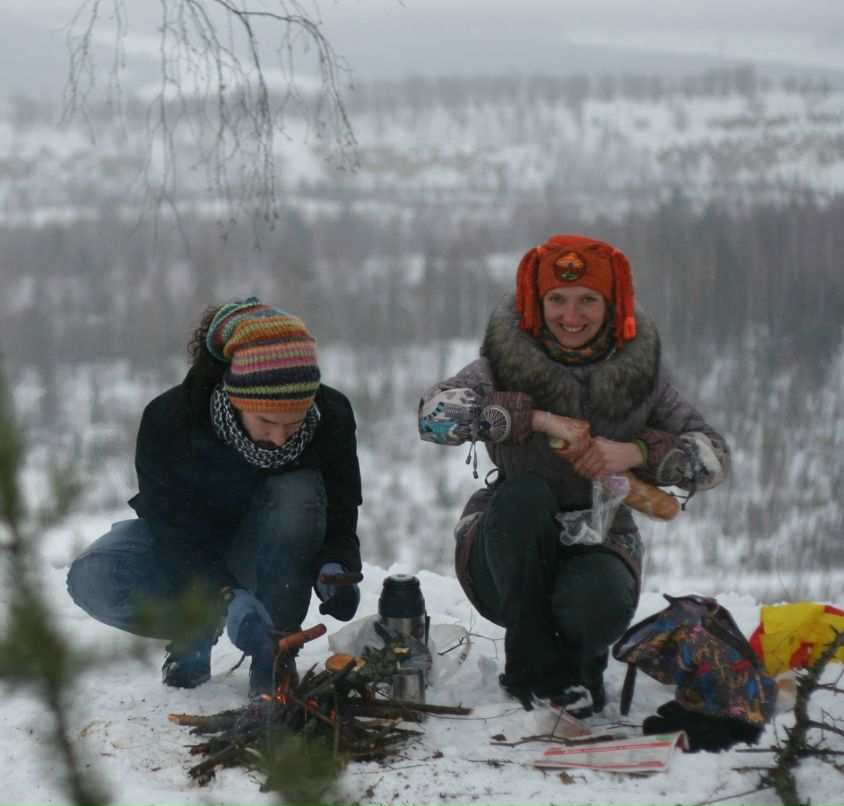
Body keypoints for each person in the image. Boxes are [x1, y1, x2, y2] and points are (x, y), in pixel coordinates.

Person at [418, 234, 730, 716]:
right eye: (557, 300)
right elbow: (433, 417)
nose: (571, 315)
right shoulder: (501, 365)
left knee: (596, 601)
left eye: (588, 300)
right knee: (524, 496)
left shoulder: (645, 377)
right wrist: (536, 419)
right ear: (536, 303)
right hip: (505, 544)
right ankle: (534, 674)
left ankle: (581, 674)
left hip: (602, 537)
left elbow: (714, 459)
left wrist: (636, 451)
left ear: (613, 304)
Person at [67, 297, 363, 696]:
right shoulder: (170, 420)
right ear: (237, 398)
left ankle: (274, 649)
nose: (280, 438)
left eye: (294, 424)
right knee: (97, 577)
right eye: (267, 422)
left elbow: (341, 505)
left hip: (277, 550)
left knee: (297, 488)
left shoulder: (332, 415)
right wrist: (223, 595)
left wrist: (336, 563)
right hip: (191, 550)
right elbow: (172, 530)